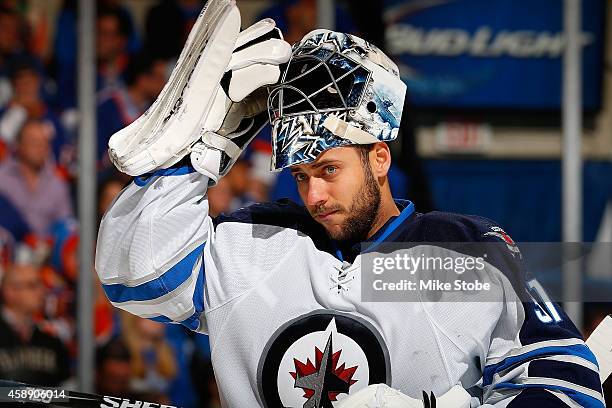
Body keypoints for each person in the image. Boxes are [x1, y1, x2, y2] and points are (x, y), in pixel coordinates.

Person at [96, 18, 604, 408]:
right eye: (300, 175)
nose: (313, 195)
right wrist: (201, 153)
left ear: (379, 158)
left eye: (328, 169)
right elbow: (136, 276)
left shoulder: (470, 251)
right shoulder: (252, 242)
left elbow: (570, 386)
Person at [0, 262, 70, 386]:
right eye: (32, 285)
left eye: (41, 285)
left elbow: (65, 388)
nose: (42, 292)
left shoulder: (50, 341)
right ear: (9, 292)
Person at [0, 119, 73, 238]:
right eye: (34, 142)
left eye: (44, 143)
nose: (40, 147)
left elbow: (65, 225)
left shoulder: (57, 184)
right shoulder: (2, 178)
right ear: (19, 145)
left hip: (46, 252)